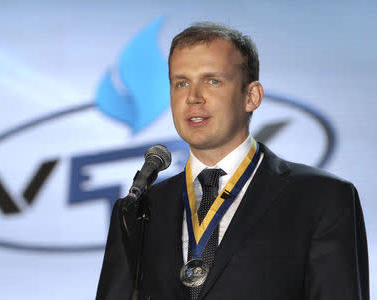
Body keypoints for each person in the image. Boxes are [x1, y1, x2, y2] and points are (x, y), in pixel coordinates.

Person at [96, 22, 369, 300]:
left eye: (212, 81)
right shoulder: (138, 210)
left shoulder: (322, 198)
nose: (193, 98)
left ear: (251, 96)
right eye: (181, 83)